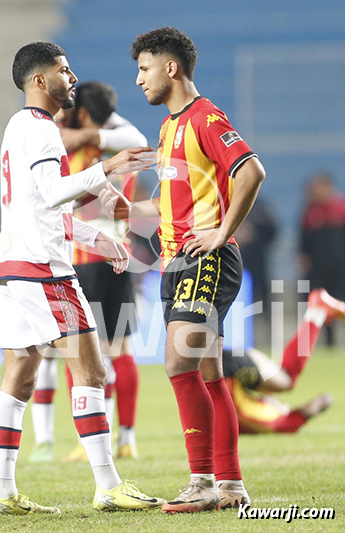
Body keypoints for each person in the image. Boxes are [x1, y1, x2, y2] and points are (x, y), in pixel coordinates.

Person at [0, 41, 165, 517]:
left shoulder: (16, 127)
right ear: (39, 81)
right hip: (46, 272)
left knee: (19, 379)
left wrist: (97, 236)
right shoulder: (43, 131)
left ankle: (2, 493)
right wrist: (104, 170)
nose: (72, 77)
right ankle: (108, 485)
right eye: (64, 70)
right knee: (92, 370)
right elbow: (51, 193)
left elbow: (40, 206)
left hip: (12, 268)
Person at [100, 27, 266, 513]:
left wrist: (219, 232)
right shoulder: (170, 127)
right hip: (180, 261)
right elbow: (173, 205)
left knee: (178, 363)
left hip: (207, 258)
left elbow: (251, 171)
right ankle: (230, 485)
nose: (138, 80)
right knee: (210, 375)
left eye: (144, 68)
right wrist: (124, 211)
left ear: (170, 68)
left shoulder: (206, 117)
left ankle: (201, 482)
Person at [29, 81, 144, 464]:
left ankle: (92, 438)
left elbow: (66, 197)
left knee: (78, 351)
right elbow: (135, 136)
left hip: (85, 256)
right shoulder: (119, 144)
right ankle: (127, 437)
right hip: (121, 256)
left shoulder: (77, 149)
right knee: (121, 350)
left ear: (81, 113)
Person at [223, 288, 345, 433]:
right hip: (223, 359)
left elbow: (281, 424)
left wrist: (304, 414)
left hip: (223, 369)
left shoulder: (268, 418)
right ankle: (317, 312)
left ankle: (317, 312)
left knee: (286, 379)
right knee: (285, 378)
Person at [298, 172, 345, 346]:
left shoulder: (341, 209)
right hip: (319, 270)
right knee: (323, 307)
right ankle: (329, 344)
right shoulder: (310, 212)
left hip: (341, 268)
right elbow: (304, 240)